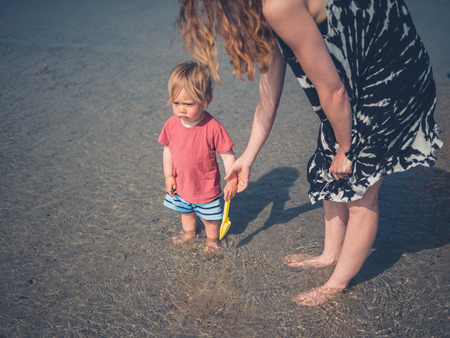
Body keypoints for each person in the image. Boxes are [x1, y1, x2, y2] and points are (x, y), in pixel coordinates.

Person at [175, 0, 443, 305]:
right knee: (326, 167)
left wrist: (347, 149)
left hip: (391, 74)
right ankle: (330, 254)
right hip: (354, 77)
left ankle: (336, 285)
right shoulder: (266, 17)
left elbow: (334, 91)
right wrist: (247, 158)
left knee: (360, 188)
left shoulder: (278, 5)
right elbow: (267, 103)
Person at [158, 61, 238, 254]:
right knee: (186, 212)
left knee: (210, 219)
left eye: (188, 104)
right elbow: (167, 149)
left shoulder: (212, 127)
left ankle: (212, 241)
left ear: (206, 99)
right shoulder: (171, 124)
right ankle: (189, 234)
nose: (181, 110)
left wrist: (232, 179)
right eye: (176, 103)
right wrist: (168, 176)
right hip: (182, 183)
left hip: (206, 187)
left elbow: (227, 154)